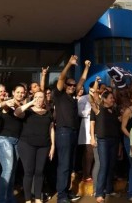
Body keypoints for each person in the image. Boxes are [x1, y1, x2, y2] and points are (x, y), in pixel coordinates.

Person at [54, 56, 90, 203]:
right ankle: (61, 196)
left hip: (73, 132)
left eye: (73, 85)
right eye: (69, 85)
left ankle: (66, 191)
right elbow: (62, 78)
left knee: (69, 164)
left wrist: (86, 67)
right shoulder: (59, 94)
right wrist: (69, 64)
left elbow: (81, 81)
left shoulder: (74, 94)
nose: (71, 87)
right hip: (63, 132)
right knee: (63, 164)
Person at [15, 91, 55, 203]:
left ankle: (37, 198)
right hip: (27, 144)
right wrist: (31, 102)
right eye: (36, 97)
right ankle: (28, 199)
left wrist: (53, 146)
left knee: (39, 171)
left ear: (44, 99)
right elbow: (17, 112)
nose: (38, 99)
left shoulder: (48, 113)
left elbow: (51, 129)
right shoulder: (27, 111)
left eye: (40, 97)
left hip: (44, 145)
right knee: (28, 171)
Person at [90, 87, 121, 203]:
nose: (113, 100)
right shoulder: (98, 109)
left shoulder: (114, 110)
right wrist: (92, 138)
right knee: (104, 166)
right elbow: (93, 102)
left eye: (113, 98)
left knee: (111, 166)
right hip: (102, 141)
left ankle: (109, 190)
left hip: (114, 141)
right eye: (111, 98)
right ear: (104, 99)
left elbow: (120, 122)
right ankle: (99, 193)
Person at [0, 84, 25, 203]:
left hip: (16, 141)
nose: (20, 94)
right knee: (8, 169)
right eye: (18, 92)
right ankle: (2, 199)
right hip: (4, 139)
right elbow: (2, 105)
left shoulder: (23, 106)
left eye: (22, 92)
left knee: (12, 170)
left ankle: (9, 197)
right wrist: (7, 102)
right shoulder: (9, 102)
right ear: (13, 92)